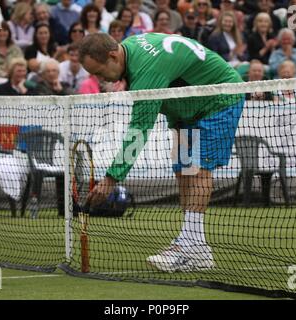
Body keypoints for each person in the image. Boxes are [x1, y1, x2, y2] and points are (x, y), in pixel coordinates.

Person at [78, 33, 245, 272]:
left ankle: (188, 246)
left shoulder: (147, 71)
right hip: (186, 109)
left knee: (197, 170)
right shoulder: (131, 47)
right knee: (183, 172)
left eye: (99, 71)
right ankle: (197, 248)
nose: (99, 78)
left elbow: (138, 131)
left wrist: (110, 179)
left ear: (113, 56)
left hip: (218, 100)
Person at [0, 21, 24, 86]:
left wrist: (12, 73)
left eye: (5, 30)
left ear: (9, 32)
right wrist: (4, 74)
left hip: (15, 78)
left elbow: (21, 64)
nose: (2, 33)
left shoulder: (16, 49)